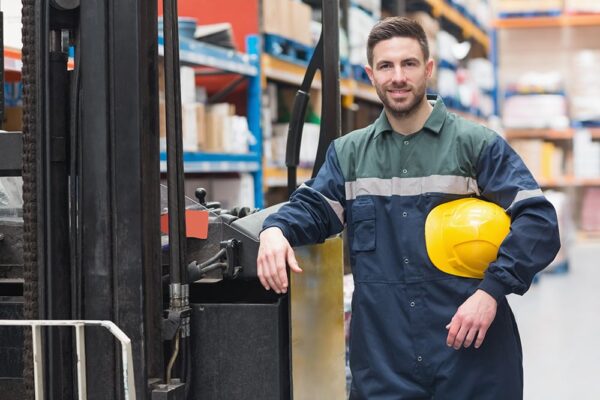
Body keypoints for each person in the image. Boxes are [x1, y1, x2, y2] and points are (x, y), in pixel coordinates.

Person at [257, 16, 560, 400]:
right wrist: (274, 229)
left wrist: (492, 291)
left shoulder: (475, 145)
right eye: (386, 66)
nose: (397, 76)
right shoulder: (349, 154)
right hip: (386, 364)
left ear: (428, 70)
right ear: (371, 74)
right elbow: (314, 208)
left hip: (471, 357)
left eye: (409, 64)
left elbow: (539, 221)